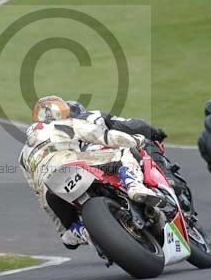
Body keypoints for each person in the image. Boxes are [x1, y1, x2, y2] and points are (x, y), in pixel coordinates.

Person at [18, 96, 162, 250]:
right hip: (73, 164)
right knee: (125, 153)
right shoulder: (64, 124)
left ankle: (80, 232)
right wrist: (137, 141)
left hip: (51, 190)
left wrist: (61, 230)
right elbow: (105, 137)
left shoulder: (22, 156)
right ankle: (134, 186)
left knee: (69, 232)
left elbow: (38, 193)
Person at [66, 101, 194, 212]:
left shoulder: (54, 134)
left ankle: (74, 231)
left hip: (74, 173)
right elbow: (133, 125)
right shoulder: (90, 116)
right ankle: (166, 178)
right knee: (142, 145)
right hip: (106, 159)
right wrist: (154, 132)